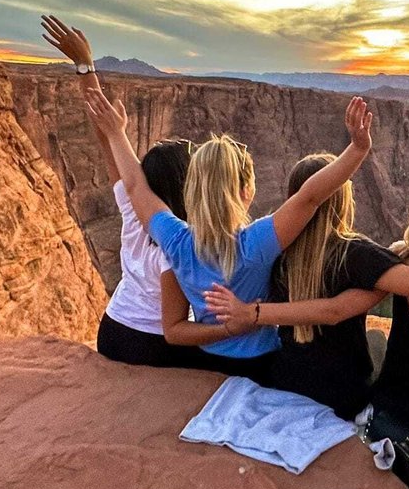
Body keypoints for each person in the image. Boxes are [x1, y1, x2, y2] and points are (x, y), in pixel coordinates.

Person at [83, 83, 377, 385]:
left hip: (209, 362)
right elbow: (310, 197)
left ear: (192, 190)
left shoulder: (175, 240)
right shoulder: (256, 244)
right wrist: (357, 148)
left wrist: (117, 133)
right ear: (246, 190)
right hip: (259, 364)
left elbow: (134, 187)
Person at [200, 163, 409, 420]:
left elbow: (336, 309)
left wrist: (252, 313)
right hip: (344, 395)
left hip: (286, 381)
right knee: (378, 341)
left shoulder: (273, 249)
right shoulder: (356, 253)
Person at [40, 14, 213, 370]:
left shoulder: (135, 208)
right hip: (147, 345)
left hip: (112, 329)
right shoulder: (177, 245)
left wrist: (85, 68)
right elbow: (173, 327)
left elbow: (106, 134)